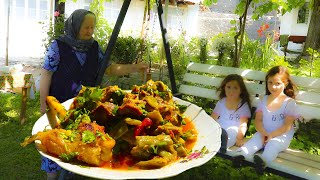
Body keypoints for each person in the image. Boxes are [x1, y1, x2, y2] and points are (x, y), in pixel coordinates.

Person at [40, 9, 105, 180]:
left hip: (82, 109)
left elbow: (108, 68)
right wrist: (42, 103)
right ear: (75, 26)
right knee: (54, 142)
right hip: (58, 105)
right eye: (86, 27)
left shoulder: (94, 48)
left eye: (92, 27)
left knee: (75, 144)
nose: (90, 31)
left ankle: (69, 174)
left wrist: (135, 67)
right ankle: (52, 176)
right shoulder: (59, 45)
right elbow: (46, 74)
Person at [233, 66, 299, 174]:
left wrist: (271, 135)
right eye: (270, 82)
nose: (273, 86)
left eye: (278, 83)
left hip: (281, 136)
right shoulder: (264, 99)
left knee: (273, 145)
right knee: (254, 141)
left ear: (285, 83)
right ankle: (240, 155)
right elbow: (258, 120)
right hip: (264, 132)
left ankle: (263, 161)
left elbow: (287, 126)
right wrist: (263, 133)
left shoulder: (289, 103)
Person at [211, 74, 252, 153]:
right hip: (220, 126)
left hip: (234, 129)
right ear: (224, 88)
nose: (231, 91)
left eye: (235, 88)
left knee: (231, 133)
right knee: (215, 132)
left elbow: (243, 124)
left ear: (241, 90)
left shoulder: (242, 105)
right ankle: (213, 145)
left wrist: (239, 138)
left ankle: (221, 148)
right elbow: (213, 118)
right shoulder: (222, 102)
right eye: (228, 87)